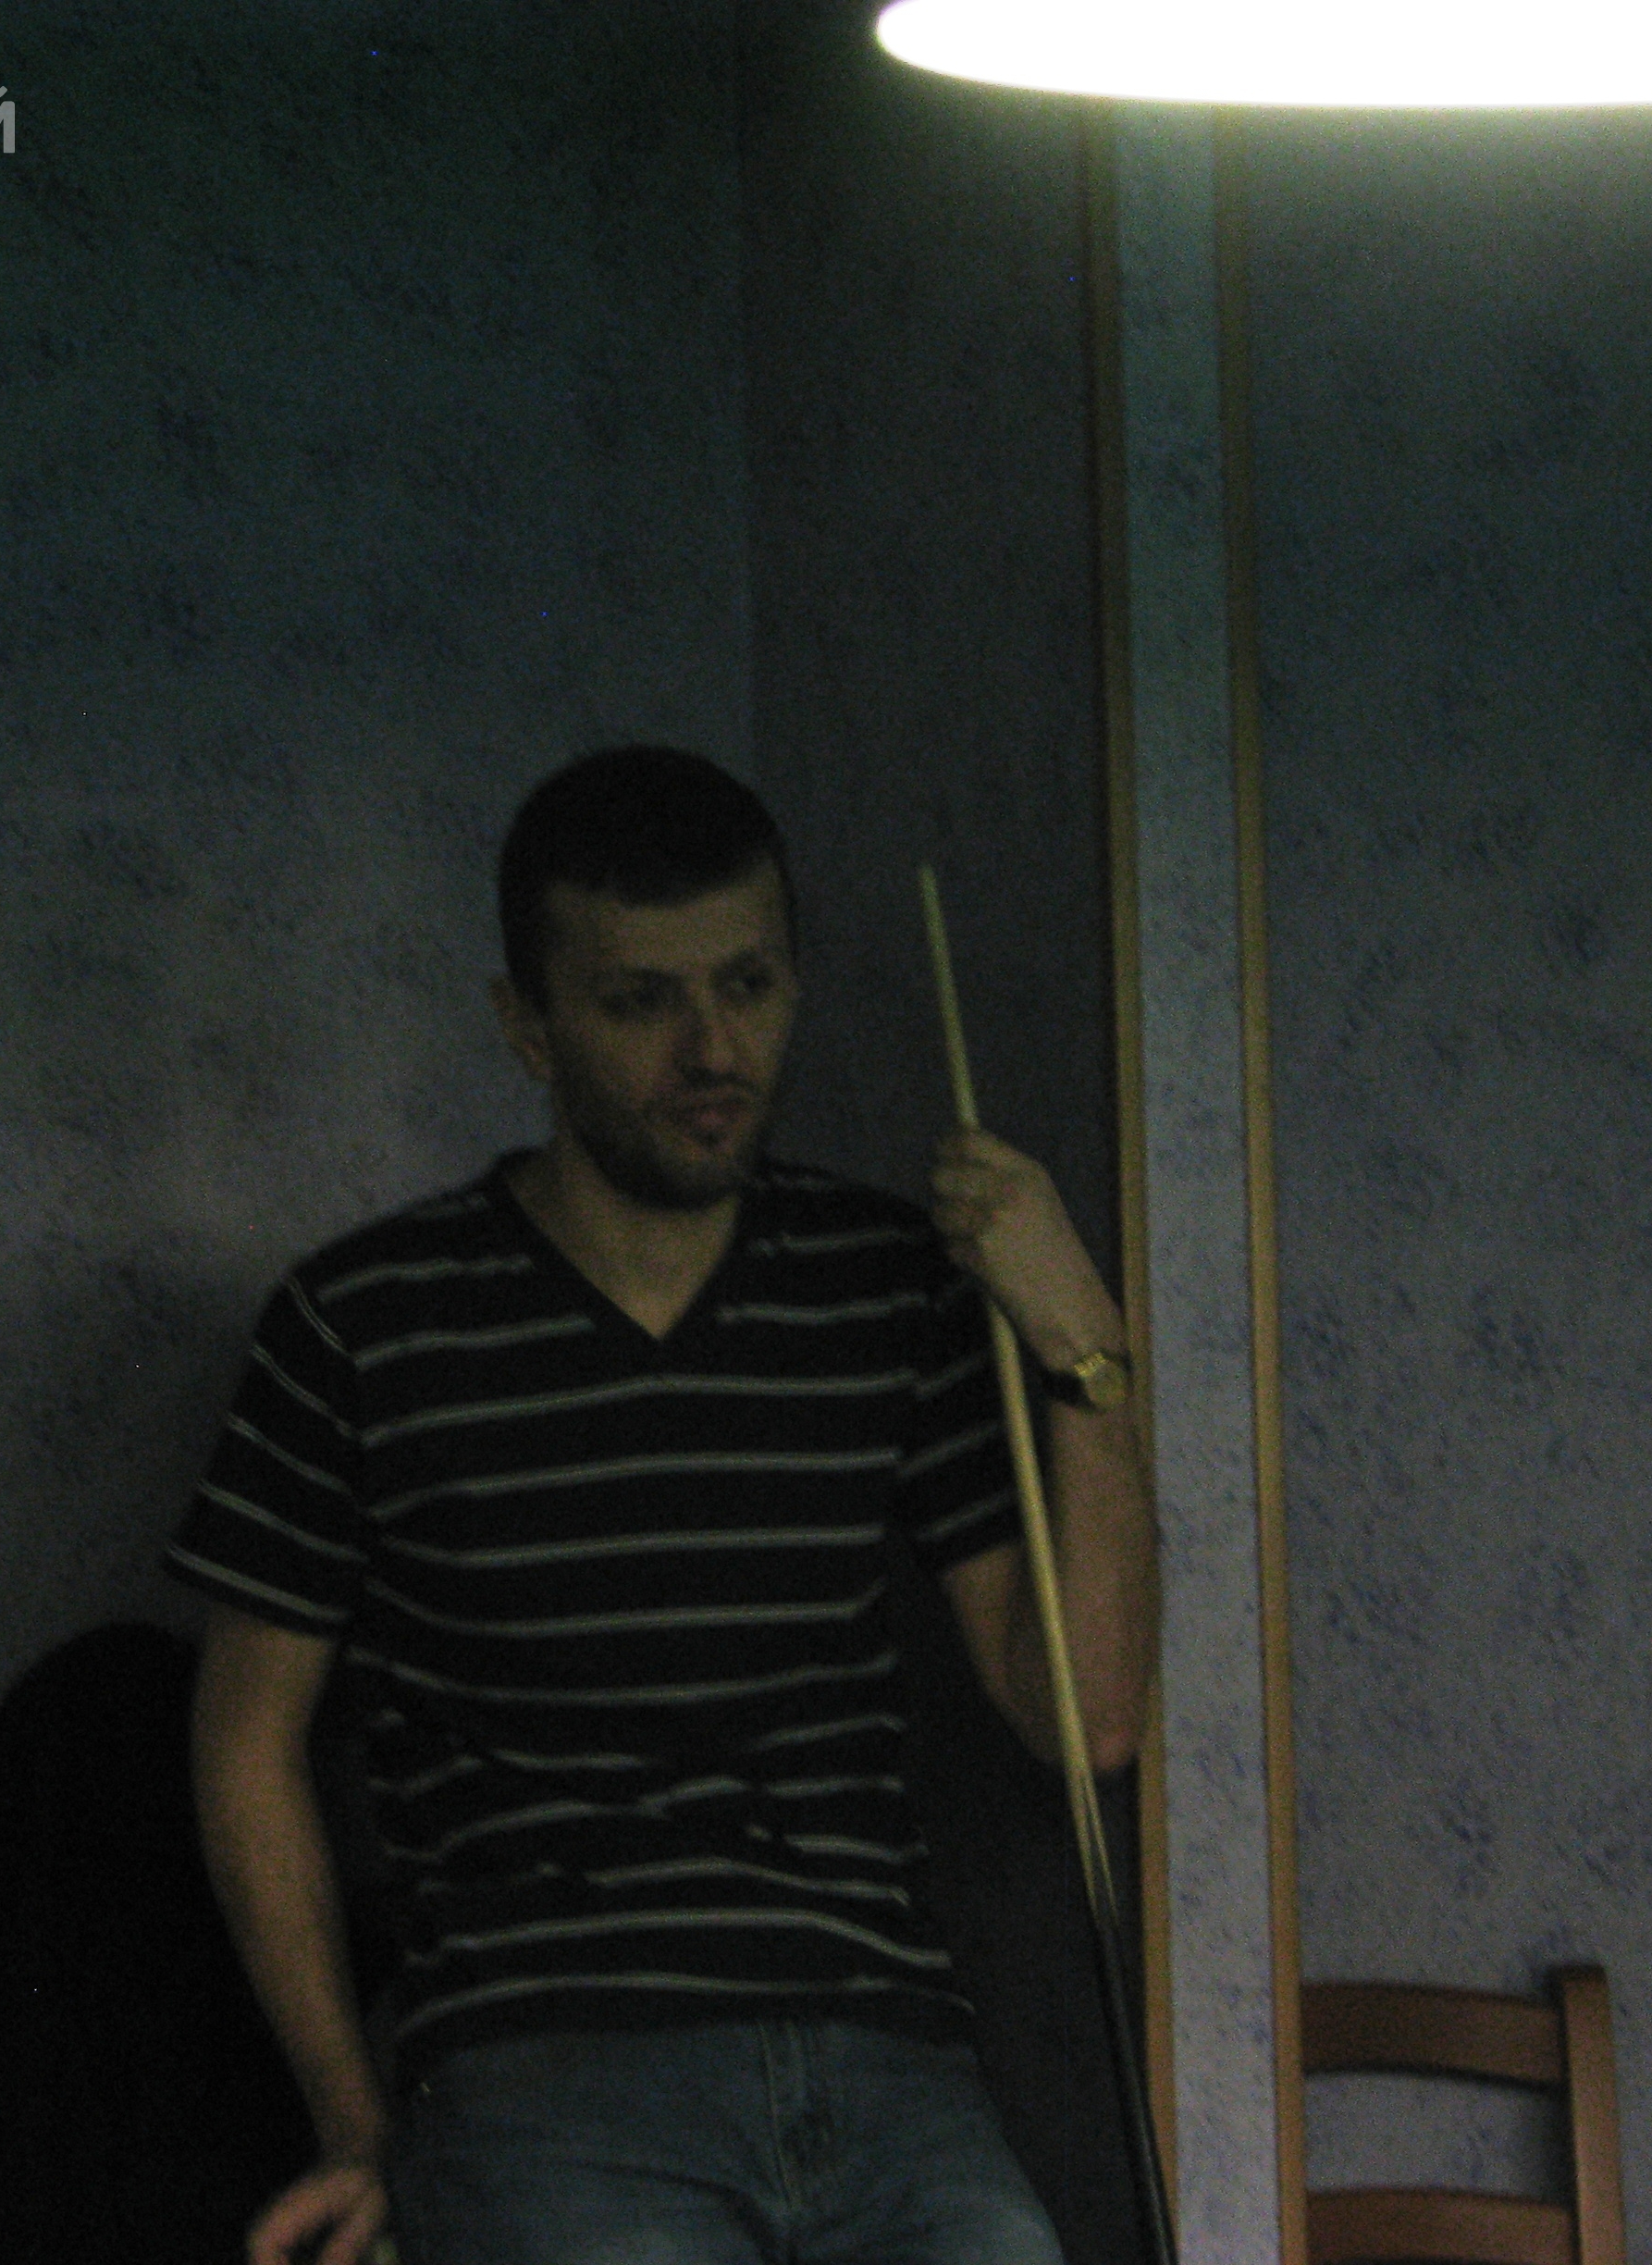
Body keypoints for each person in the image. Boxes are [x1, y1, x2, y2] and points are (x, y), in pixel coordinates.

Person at [166, 747, 1157, 2265]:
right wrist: (353, 2122)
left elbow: (1089, 1720)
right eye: (642, 1002)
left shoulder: (885, 1288)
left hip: (886, 2056)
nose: (714, 1050)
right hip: (548, 2056)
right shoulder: (363, 1322)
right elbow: (243, 1747)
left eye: (749, 986)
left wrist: (1080, 1340)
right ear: (529, 1026)